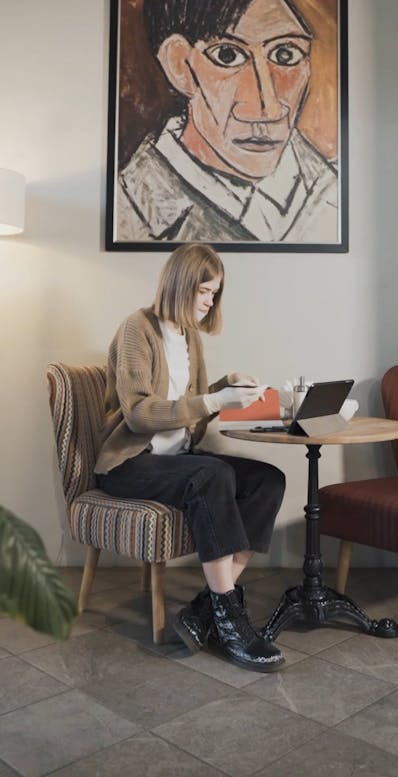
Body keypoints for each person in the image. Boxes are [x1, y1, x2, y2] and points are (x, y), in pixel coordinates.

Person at [94, 243, 286, 671]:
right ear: (181, 284)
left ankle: (207, 609)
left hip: (178, 457)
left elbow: (189, 402)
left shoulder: (189, 338)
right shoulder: (136, 329)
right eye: (204, 291)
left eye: (215, 294)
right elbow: (141, 413)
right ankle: (230, 619)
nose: (209, 301)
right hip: (129, 464)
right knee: (212, 473)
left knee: (268, 479)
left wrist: (227, 385)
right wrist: (216, 398)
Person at [116, 0, 338, 244]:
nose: (267, 107)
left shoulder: (336, 192)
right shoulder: (128, 210)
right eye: (228, 55)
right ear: (179, 65)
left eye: (286, 54)